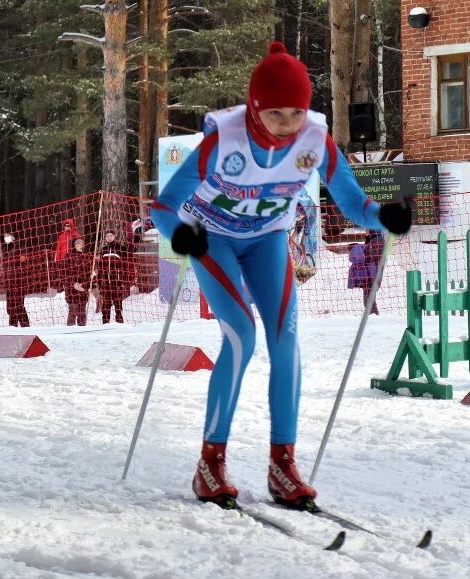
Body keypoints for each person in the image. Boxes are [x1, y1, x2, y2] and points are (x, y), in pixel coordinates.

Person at [150, 40, 412, 509]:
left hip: (269, 240)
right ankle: (210, 462)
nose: (286, 125)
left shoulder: (315, 141)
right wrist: (181, 236)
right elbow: (165, 206)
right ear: (254, 109)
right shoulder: (222, 141)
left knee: (286, 341)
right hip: (215, 239)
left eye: (295, 113)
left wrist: (383, 216)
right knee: (240, 337)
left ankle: (283, 464)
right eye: (275, 114)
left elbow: (351, 200)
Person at [95, 230, 132, 324]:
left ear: (114, 237)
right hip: (106, 282)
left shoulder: (121, 248)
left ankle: (120, 323)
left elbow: (126, 265)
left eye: (111, 235)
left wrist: (125, 280)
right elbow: (100, 267)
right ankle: (105, 323)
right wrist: (99, 281)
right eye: (107, 236)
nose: (109, 237)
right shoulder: (103, 250)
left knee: (118, 304)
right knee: (106, 305)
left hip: (117, 281)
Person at [347, 231, 387, 315]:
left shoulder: (376, 242)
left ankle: (372, 312)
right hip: (376, 243)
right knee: (370, 285)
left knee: (370, 284)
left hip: (376, 244)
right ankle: (371, 312)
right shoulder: (375, 240)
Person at [0, 233, 31, 328]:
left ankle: (25, 326)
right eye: (5, 237)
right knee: (10, 307)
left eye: (8, 236)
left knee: (18, 306)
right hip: (9, 282)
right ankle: (12, 327)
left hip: (19, 282)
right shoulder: (5, 250)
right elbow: (4, 267)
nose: (7, 238)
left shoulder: (20, 249)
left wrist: (19, 273)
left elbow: (25, 266)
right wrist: (3, 278)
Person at [60, 236, 92, 326]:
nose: (80, 246)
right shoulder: (68, 256)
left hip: (82, 289)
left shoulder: (86, 258)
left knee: (82, 312)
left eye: (81, 244)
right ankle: (70, 330)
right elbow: (64, 273)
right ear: (74, 246)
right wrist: (73, 284)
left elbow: (88, 274)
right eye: (78, 244)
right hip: (71, 289)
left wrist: (85, 286)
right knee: (73, 311)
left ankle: (82, 330)